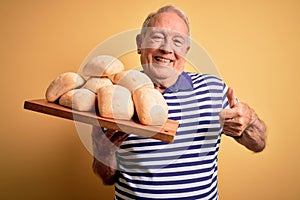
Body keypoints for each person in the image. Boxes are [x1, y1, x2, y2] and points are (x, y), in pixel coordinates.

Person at [92, 5, 266, 200]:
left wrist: (249, 121)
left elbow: (258, 143)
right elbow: (107, 177)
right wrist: (104, 153)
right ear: (140, 43)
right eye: (157, 37)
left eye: (177, 41)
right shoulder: (113, 97)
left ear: (186, 50)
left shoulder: (213, 90)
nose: (166, 49)